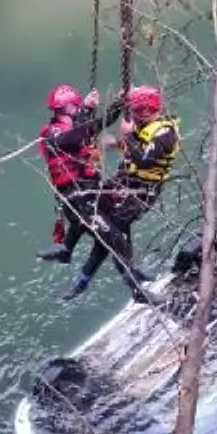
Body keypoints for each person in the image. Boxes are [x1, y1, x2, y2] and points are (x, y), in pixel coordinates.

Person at [63, 84, 180, 304]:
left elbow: (145, 158)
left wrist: (128, 137)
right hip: (123, 182)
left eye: (136, 111)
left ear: (147, 110)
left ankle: (102, 279)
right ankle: (122, 277)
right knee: (97, 219)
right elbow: (135, 149)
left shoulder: (165, 132)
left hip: (141, 191)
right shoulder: (146, 125)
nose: (133, 116)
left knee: (110, 233)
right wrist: (117, 142)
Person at [34, 84, 118, 264]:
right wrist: (85, 109)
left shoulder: (80, 126)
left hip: (89, 190)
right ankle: (135, 274)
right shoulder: (54, 132)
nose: (63, 114)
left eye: (66, 109)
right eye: (61, 110)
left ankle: (67, 250)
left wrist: (119, 103)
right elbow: (70, 138)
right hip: (76, 194)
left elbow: (103, 121)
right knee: (110, 235)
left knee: (110, 228)